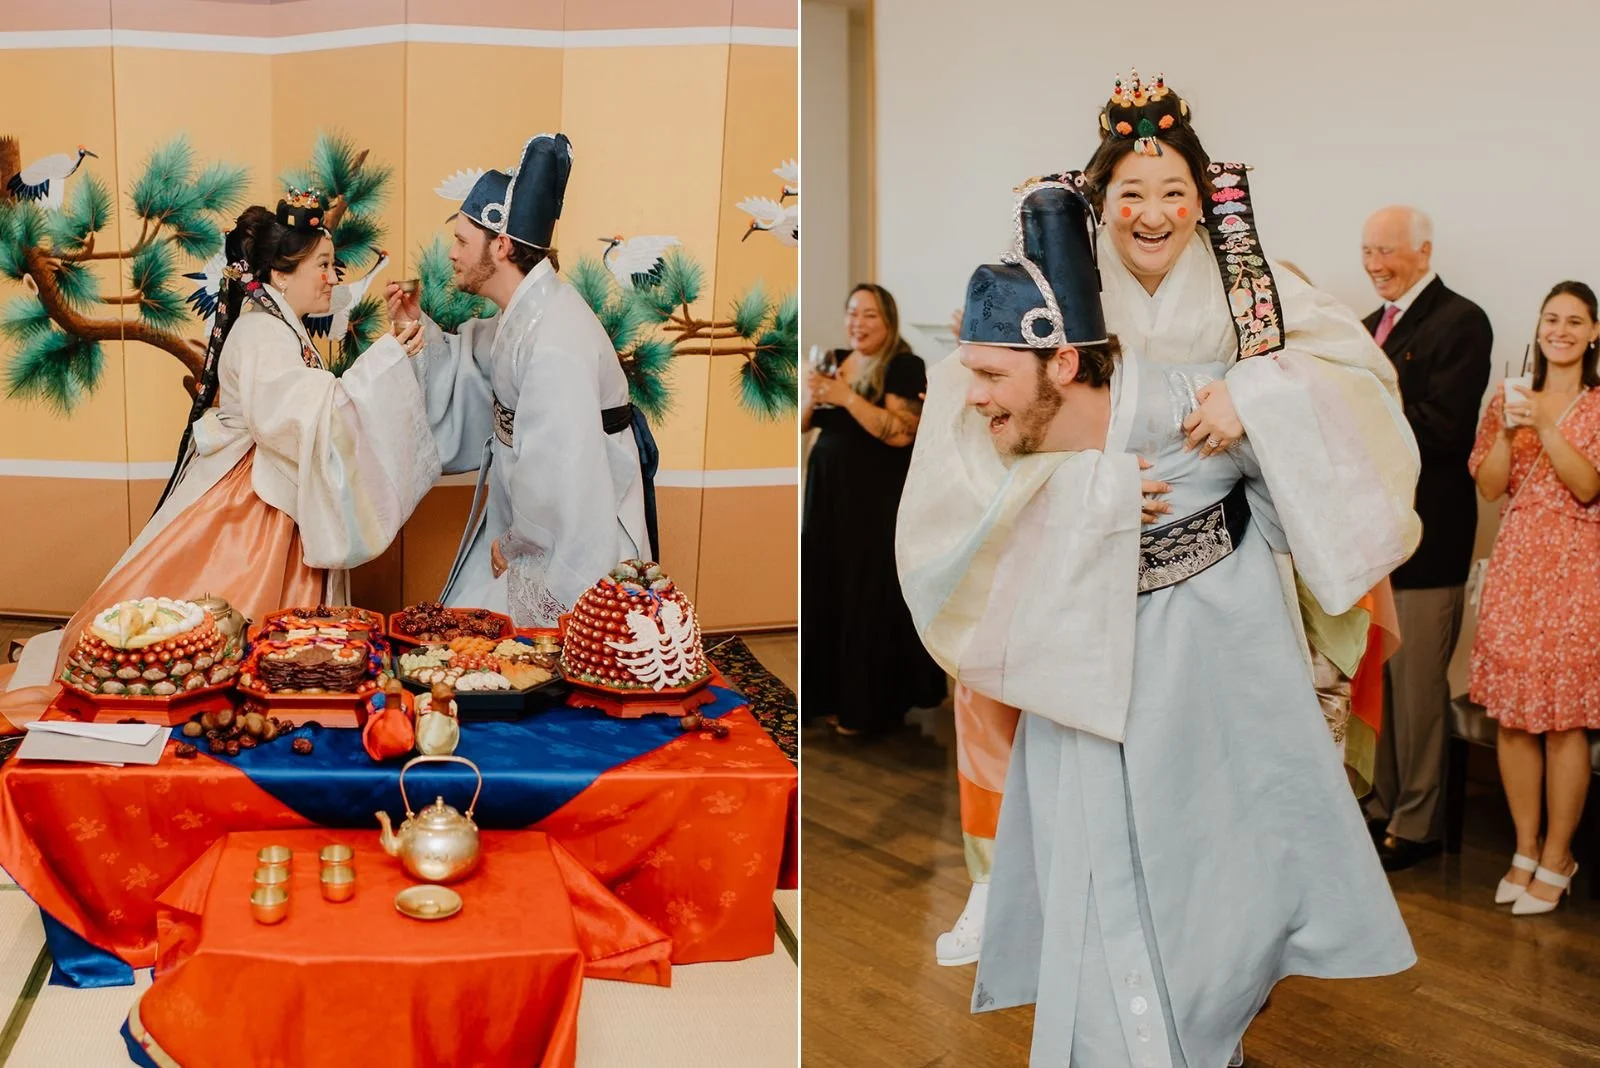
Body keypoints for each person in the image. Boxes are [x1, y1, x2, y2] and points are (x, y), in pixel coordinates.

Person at [898, 176, 1415, 1067]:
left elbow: (1331, 505)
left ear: (1062, 361)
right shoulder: (1010, 443)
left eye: (987, 375)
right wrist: (1087, 494)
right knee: (1092, 906)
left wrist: (1265, 403)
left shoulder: (1196, 402)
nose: (970, 398)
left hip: (1211, 700)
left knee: (1211, 909)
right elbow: (945, 536)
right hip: (1080, 704)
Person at [0, 192, 440, 728]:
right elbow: (299, 415)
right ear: (281, 274)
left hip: (269, 481)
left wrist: (387, 358)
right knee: (215, 629)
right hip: (253, 498)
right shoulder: (261, 332)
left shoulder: (279, 325)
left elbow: (314, 406)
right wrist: (386, 359)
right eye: (322, 265)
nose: (333, 278)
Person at [388, 134, 653, 627]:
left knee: (549, 644)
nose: (452, 254)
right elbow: (468, 363)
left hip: (574, 519)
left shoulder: (555, 336)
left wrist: (518, 542)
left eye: (463, 241)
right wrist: (417, 328)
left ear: (503, 245)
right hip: (528, 514)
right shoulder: (524, 317)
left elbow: (561, 466)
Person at [1359, 205, 1494, 871]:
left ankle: (1418, 823)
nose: (1375, 264)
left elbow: (1443, 430)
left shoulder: (1460, 321)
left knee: (1416, 689)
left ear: (1424, 251)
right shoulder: (1363, 330)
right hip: (1372, 540)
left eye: (1387, 251)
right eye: (1367, 251)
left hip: (1430, 536)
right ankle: (1382, 803)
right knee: (1379, 681)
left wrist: (1360, 414)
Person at [1467, 280, 1600, 915]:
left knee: (1563, 720)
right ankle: (1523, 849)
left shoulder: (1598, 406)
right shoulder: (1508, 397)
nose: (1562, 330)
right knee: (1515, 717)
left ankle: (1559, 856)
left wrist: (1546, 420)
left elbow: (1586, 487)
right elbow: (1492, 488)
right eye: (1552, 319)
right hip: (1517, 562)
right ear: (1539, 327)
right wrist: (1504, 430)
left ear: (1594, 332)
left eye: (1576, 321)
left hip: (1578, 569)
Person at [801, 284, 946, 737]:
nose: (858, 324)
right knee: (829, 590)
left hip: (874, 501)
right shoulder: (838, 359)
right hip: (829, 498)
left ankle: (869, 705)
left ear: (889, 323)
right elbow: (804, 424)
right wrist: (811, 394)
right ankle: (826, 695)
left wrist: (844, 396)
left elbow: (901, 432)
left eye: (870, 316)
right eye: (852, 313)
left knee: (867, 594)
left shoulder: (903, 366)